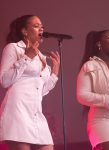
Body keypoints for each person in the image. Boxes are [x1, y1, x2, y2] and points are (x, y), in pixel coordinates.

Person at [0, 15, 60, 150]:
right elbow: (4, 81)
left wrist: (54, 73)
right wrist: (26, 57)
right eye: (36, 25)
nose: (41, 29)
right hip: (17, 110)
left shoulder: (41, 56)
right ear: (24, 31)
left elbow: (41, 90)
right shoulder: (13, 48)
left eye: (42, 26)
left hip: (36, 112)